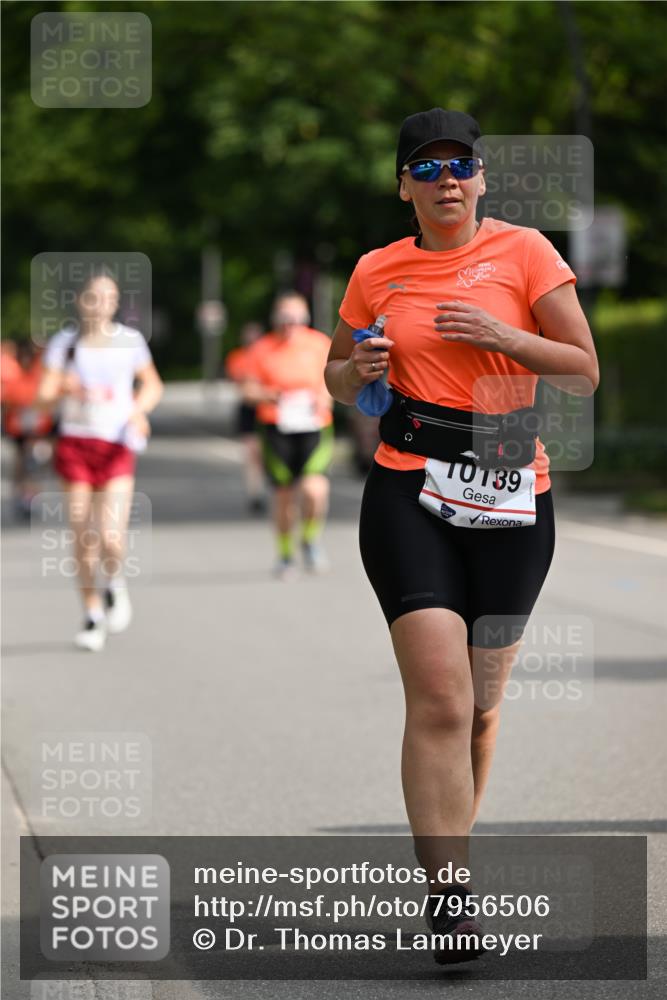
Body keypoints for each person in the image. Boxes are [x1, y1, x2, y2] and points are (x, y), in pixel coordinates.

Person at [324, 108, 599, 961]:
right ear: (403, 185)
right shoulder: (377, 270)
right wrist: (356, 370)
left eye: (461, 165)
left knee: (480, 708)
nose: (447, 179)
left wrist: (504, 335)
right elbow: (333, 377)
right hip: (407, 487)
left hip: (511, 489)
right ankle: (448, 899)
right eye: (427, 167)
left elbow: (583, 370)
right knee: (439, 698)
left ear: (481, 179)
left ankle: (454, 858)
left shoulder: (525, 254)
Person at [37, 272, 163, 652]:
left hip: (116, 443)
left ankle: (115, 582)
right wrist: (64, 387)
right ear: (80, 301)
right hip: (76, 443)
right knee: (82, 534)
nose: (99, 304)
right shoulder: (65, 344)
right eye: (92, 297)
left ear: (116, 302)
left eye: (107, 297)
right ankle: (91, 613)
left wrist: (138, 410)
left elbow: (153, 385)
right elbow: (41, 398)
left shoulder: (130, 341)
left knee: (110, 535)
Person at [243, 291, 334, 578]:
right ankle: (284, 554)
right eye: (284, 318)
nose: (290, 324)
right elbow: (247, 390)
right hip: (276, 428)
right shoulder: (261, 348)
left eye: (296, 318)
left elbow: (336, 381)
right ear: (275, 319)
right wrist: (267, 394)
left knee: (314, 489)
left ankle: (309, 539)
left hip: (314, 426)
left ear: (304, 319)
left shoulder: (319, 344)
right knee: (283, 495)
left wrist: (324, 397)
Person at [2, 341, 55, 517]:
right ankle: (20, 493)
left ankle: (31, 494)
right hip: (17, 426)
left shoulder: (40, 368)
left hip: (38, 426)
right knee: (21, 461)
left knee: (36, 459)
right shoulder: (11, 369)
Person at [225, 321, 267, 514]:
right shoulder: (237, 358)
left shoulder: (270, 354)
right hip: (249, 409)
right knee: (252, 453)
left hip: (269, 409)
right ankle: (255, 493)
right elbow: (240, 385)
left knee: (268, 454)